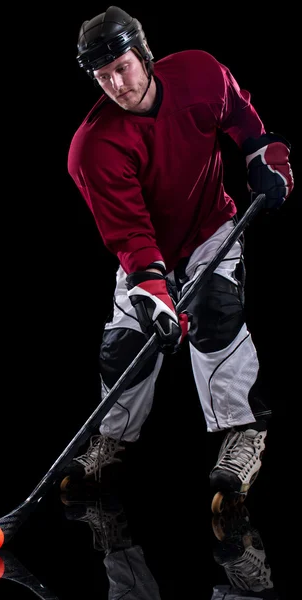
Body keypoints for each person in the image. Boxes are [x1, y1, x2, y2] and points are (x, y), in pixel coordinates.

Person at [63, 6, 294, 507]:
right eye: (103, 78)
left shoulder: (198, 73)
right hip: (149, 253)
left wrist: (262, 155)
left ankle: (242, 434)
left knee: (215, 310)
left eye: (121, 68)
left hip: (211, 227)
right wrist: (152, 288)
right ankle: (112, 440)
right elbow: (128, 232)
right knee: (125, 344)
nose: (117, 86)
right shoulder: (93, 148)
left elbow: (239, 115)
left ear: (143, 55)